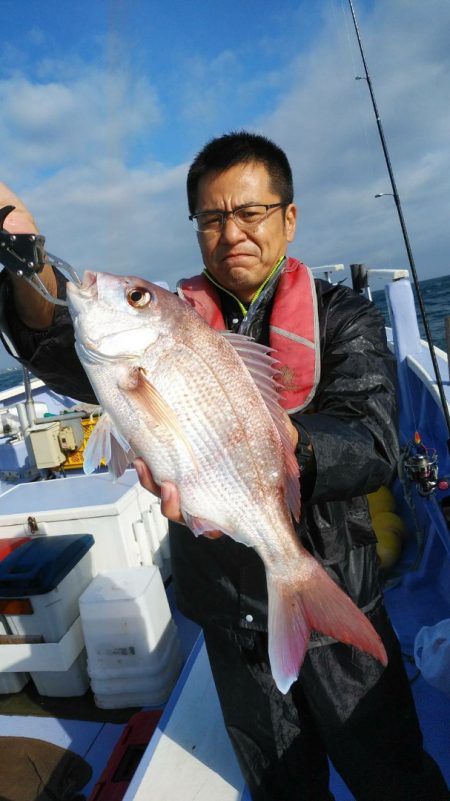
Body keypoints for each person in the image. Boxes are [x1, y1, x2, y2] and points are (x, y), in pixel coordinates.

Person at [0, 132, 448, 801]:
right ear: (197, 229)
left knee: (392, 775)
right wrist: (21, 267)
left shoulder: (344, 317)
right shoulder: (169, 323)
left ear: (288, 218)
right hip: (229, 620)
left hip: (339, 584)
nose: (231, 231)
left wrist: (279, 445)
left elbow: (374, 438)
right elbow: (58, 343)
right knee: (280, 787)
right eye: (212, 218)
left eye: (251, 212)